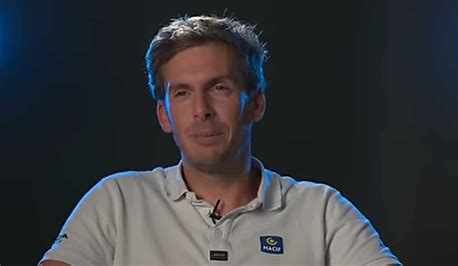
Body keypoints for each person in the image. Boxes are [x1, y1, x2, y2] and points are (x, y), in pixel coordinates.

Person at [39, 14, 401, 265]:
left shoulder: (321, 210)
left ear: (256, 103)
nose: (201, 109)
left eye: (219, 88)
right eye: (181, 93)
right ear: (164, 115)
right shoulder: (116, 200)